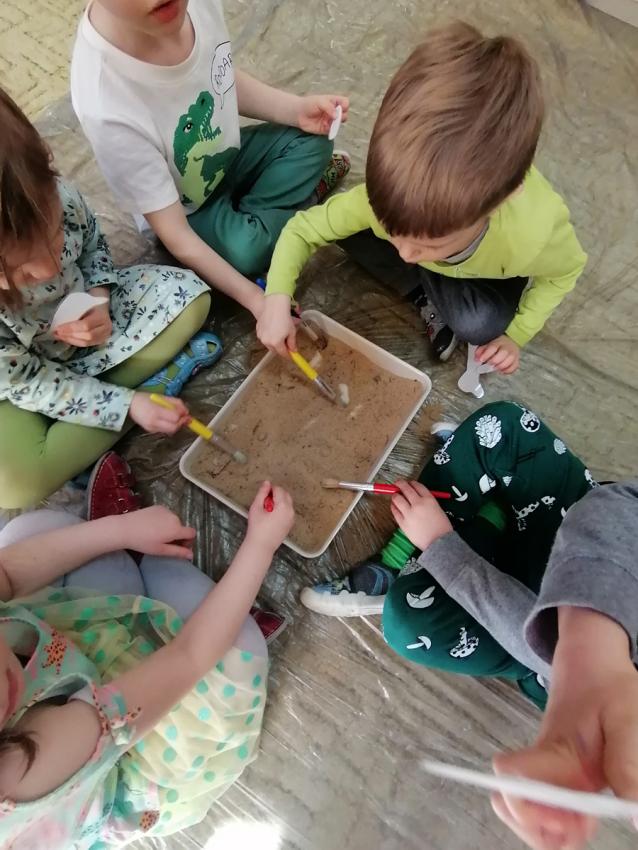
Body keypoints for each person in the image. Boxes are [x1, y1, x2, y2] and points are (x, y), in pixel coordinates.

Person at [258, 22, 587, 368]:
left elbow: (563, 274)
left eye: (427, 243)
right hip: (444, 252)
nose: (405, 253)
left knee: (479, 325)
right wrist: (276, 298)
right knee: (344, 225)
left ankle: (428, 286)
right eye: (392, 229)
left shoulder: (532, 235)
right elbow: (302, 229)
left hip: (485, 274)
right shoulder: (380, 206)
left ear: (497, 204)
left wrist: (516, 336)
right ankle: (422, 289)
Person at [0, 476, 294, 849]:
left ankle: (206, 601)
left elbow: (7, 575)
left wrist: (122, 529)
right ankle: (227, 607)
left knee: (31, 530)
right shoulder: (23, 773)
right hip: (127, 753)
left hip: (63, 677)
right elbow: (189, 657)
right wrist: (261, 545)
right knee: (238, 645)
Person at [301, 401, 601, 709]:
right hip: (578, 534)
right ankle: (485, 499)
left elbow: (552, 648)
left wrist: (439, 545)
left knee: (408, 625)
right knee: (500, 427)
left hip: (539, 641)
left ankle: (402, 561)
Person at [71, 0, 350, 331]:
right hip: (188, 211)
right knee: (246, 253)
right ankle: (291, 211)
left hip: (228, 155)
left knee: (315, 140)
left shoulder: (194, 6)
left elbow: (220, 75)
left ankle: (268, 219)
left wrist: (295, 110)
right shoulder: (106, 103)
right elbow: (176, 236)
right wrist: (256, 299)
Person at [0, 87, 219, 510]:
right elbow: (28, 384)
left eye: (54, 236)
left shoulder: (58, 197)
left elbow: (92, 247)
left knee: (193, 300)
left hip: (95, 341)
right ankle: (133, 404)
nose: (49, 268)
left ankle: (79, 439)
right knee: (13, 486)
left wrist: (98, 295)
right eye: (21, 271)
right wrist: (128, 405)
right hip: (23, 383)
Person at [492, 481, 638, 849]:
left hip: (550, 658)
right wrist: (592, 654)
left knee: (412, 624)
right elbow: (623, 507)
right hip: (593, 594)